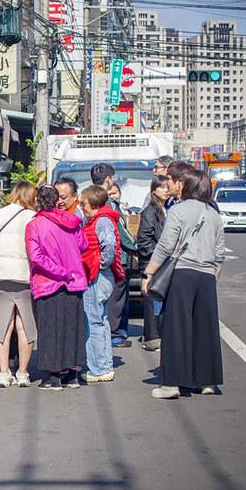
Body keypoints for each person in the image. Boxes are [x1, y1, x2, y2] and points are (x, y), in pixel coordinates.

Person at [142, 169, 225, 399]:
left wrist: (149, 273)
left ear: (187, 187)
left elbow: (167, 245)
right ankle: (206, 381)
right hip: (207, 276)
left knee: (176, 329)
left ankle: (171, 384)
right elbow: (220, 253)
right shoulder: (214, 214)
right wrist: (212, 275)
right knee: (205, 329)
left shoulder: (178, 211)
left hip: (182, 274)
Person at [24, 185, 88, 391]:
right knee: (73, 329)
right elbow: (83, 245)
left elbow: (36, 257)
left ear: (38, 202)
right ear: (57, 201)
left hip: (49, 282)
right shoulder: (72, 221)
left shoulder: (35, 225)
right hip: (74, 282)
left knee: (50, 329)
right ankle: (73, 375)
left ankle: (52, 378)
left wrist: (60, 272)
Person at [0, 181, 37, 388]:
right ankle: (22, 372)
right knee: (24, 326)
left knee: (4, 325)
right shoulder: (33, 217)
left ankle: (4, 373)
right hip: (24, 277)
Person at [89, 164, 137, 349]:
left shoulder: (86, 199)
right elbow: (123, 234)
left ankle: (102, 332)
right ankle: (113, 334)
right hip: (115, 259)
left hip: (91, 259)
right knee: (115, 298)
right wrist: (136, 248)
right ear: (108, 179)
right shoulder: (109, 204)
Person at [80, 185, 123, 384]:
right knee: (101, 321)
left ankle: (98, 369)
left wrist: (97, 265)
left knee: (94, 322)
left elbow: (109, 249)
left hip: (97, 277)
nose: (81, 207)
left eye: (84, 203)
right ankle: (103, 366)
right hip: (101, 276)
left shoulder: (102, 220)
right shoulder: (103, 218)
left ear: (95, 203)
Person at [137, 175, 169, 353]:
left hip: (161, 263)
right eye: (161, 187)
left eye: (167, 186)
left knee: (159, 302)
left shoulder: (166, 208)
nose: (166, 190)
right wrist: (161, 255)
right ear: (154, 190)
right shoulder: (150, 211)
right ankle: (153, 338)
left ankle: (158, 336)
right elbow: (144, 240)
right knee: (153, 303)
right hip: (153, 263)